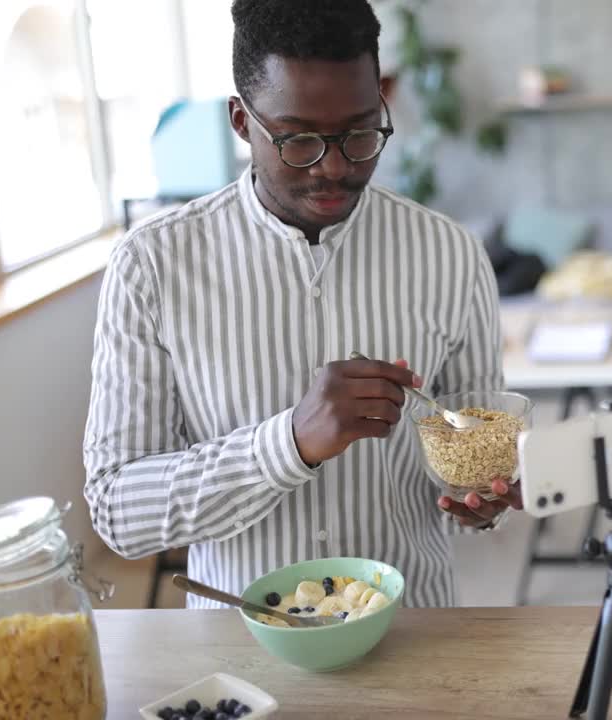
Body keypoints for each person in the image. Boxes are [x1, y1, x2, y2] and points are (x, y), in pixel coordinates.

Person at [83, 0, 520, 609]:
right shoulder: (153, 267)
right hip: (241, 659)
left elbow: (470, 471)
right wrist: (287, 444)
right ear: (242, 121)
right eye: (299, 140)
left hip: (414, 639)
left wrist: (481, 500)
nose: (335, 168)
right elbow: (117, 510)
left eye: (362, 133)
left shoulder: (452, 255)